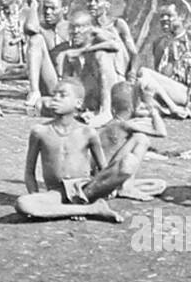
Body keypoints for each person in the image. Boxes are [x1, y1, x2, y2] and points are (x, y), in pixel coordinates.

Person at [14, 77, 125, 222]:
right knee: (23, 204)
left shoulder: (88, 133)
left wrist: (107, 189)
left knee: (127, 165)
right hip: (57, 193)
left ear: (78, 103)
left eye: (62, 95)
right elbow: (29, 172)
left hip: (85, 189)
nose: (55, 99)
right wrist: (36, 197)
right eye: (54, 94)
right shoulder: (39, 132)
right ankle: (91, 210)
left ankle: (75, 207)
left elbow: (103, 169)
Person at [96, 80, 167, 200]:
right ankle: (126, 188)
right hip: (107, 176)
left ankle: (118, 188)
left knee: (159, 185)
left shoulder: (108, 126)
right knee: (141, 139)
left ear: (113, 109)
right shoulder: (126, 125)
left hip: (102, 176)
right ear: (133, 107)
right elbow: (161, 132)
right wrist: (152, 109)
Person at [136, 0, 191, 118]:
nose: (164, 19)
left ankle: (172, 108)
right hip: (165, 91)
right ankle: (165, 108)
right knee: (141, 81)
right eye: (162, 16)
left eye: (169, 16)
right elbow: (158, 72)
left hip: (185, 93)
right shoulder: (159, 43)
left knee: (144, 72)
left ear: (182, 16)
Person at [54, 10, 127, 123]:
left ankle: (105, 111)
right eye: (72, 28)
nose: (76, 32)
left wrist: (83, 51)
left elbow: (115, 45)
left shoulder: (99, 38)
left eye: (80, 27)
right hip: (89, 95)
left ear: (90, 28)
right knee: (40, 105)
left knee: (101, 55)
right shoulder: (72, 51)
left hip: (114, 93)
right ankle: (85, 110)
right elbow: (66, 80)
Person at [23, 0, 70, 112]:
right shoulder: (43, 29)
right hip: (51, 83)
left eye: (53, 8)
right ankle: (34, 92)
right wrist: (34, 6)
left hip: (70, 84)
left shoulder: (73, 28)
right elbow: (30, 28)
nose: (48, 12)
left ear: (65, 9)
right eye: (45, 8)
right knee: (36, 39)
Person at [86, 0, 139, 74]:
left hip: (118, 72)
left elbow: (133, 53)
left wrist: (133, 72)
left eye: (97, 1)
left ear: (107, 5)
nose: (92, 4)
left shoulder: (117, 24)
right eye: (89, 1)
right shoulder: (85, 27)